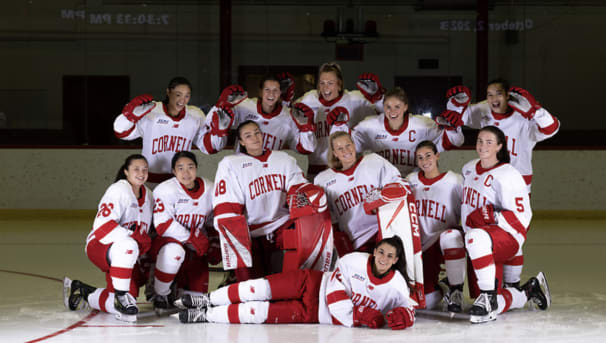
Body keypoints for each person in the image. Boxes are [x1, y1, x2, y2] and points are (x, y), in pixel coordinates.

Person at [440, 79, 560, 295]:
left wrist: (536, 111)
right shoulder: (484, 110)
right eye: (489, 94)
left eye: (498, 94)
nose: (493, 99)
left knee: (513, 235)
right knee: (483, 238)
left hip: (514, 186)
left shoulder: (523, 118)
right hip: (486, 184)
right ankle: (495, 287)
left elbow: (552, 128)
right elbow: (457, 117)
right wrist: (454, 106)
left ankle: (512, 285)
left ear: (508, 96)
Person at [176, 236, 416, 331]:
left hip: (313, 313)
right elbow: (334, 294)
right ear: (374, 251)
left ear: (396, 261)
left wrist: (402, 317)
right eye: (381, 252)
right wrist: (358, 316)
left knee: (256, 312)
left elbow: (409, 309)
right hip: (311, 284)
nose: (384, 259)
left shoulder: (397, 284)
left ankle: (207, 315)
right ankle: (208, 299)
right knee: (255, 288)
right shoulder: (354, 261)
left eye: (390, 256)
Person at [440, 126, 551, 323]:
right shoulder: (468, 167)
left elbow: (522, 216)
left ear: (499, 146)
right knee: (449, 236)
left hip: (503, 237)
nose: (483, 146)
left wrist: (492, 215)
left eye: (489, 142)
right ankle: (457, 290)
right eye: (480, 141)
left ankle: (489, 297)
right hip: (477, 237)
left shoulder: (508, 174)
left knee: (475, 238)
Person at [212, 120, 332, 282]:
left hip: (281, 226)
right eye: (248, 136)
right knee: (252, 287)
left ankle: (311, 286)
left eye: (257, 133)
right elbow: (227, 210)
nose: (255, 138)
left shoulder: (283, 159)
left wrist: (306, 195)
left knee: (312, 228)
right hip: (250, 232)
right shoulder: (230, 164)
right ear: (241, 142)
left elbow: (300, 190)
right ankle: (235, 285)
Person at [63, 154, 154, 322]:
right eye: (136, 169)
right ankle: (121, 297)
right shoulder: (118, 190)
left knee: (130, 305)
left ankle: (84, 291)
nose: (141, 173)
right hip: (100, 245)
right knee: (129, 245)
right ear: (126, 171)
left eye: (144, 170)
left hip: (125, 253)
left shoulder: (148, 195)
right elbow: (102, 226)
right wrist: (132, 237)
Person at [113, 77, 224, 187]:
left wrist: (220, 131)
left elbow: (209, 147)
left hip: (179, 181)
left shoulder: (195, 115)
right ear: (168, 92)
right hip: (149, 181)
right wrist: (130, 116)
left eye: (187, 96)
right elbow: (122, 133)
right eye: (178, 94)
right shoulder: (151, 110)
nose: (182, 100)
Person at [333, 87, 464, 176]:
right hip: (382, 184)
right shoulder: (370, 125)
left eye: (397, 107)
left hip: (414, 182)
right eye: (388, 107)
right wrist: (339, 126)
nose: (392, 111)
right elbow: (347, 145)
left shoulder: (422, 125)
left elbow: (452, 142)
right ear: (382, 107)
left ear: (406, 107)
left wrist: (453, 129)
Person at [314, 131, 408, 256]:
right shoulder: (323, 180)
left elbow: (401, 185)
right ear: (335, 153)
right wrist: (339, 241)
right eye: (340, 148)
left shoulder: (374, 161)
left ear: (354, 145)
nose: (345, 151)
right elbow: (329, 218)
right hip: (356, 242)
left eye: (348, 145)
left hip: (384, 232)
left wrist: (382, 198)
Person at [149, 151, 219, 311]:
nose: (186, 172)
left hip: (195, 248)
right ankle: (161, 293)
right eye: (180, 168)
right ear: (173, 171)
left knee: (196, 301)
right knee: (175, 252)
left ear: (196, 168)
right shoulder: (166, 189)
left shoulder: (210, 188)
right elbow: (163, 225)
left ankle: (177, 288)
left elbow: (210, 220)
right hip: (167, 242)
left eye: (190, 167)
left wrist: (215, 242)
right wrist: (191, 237)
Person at [296, 62, 385, 180]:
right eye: (322, 83)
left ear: (339, 84)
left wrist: (378, 97)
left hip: (349, 170)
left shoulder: (355, 99)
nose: (325, 87)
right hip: (316, 171)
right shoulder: (309, 99)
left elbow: (385, 115)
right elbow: (288, 115)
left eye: (330, 83)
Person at [405, 140, 463, 311]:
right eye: (420, 158)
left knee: (451, 236)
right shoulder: (411, 180)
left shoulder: (454, 180)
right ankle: (444, 286)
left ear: (437, 156)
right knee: (426, 302)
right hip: (420, 247)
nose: (425, 161)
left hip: (442, 242)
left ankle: (456, 290)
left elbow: (467, 209)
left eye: (428, 155)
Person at [204, 74, 316, 154]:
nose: (271, 94)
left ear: (280, 93)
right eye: (267, 89)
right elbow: (209, 123)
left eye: (275, 90)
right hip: (242, 167)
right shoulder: (245, 106)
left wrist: (307, 129)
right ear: (260, 91)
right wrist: (220, 104)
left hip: (269, 172)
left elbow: (307, 148)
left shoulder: (288, 116)